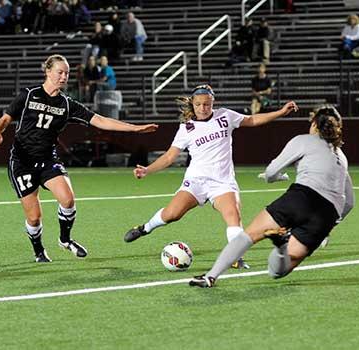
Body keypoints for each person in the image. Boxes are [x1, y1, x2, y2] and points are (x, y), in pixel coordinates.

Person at [0, 54, 158, 262]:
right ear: (48, 71)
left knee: (68, 199)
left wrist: (135, 129)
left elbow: (100, 120)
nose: (64, 76)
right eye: (60, 72)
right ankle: (39, 251)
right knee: (34, 218)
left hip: (47, 159)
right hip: (22, 162)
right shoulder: (28, 95)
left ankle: (65, 239)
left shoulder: (67, 104)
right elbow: (4, 119)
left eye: (67, 73)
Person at [123, 85, 298, 270]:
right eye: (198, 104)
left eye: (207, 104)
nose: (203, 108)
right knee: (171, 214)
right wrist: (147, 170)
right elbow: (169, 157)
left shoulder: (225, 116)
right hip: (196, 181)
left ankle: (236, 257)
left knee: (233, 215)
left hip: (222, 182)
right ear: (193, 104)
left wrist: (280, 112)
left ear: (212, 103)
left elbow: (252, 119)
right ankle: (145, 228)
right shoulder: (186, 129)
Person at [189, 105, 355, 288]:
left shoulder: (304, 140)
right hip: (326, 215)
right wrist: (329, 225)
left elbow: (271, 172)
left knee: (248, 236)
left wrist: (277, 177)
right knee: (278, 271)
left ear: (314, 123)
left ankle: (210, 277)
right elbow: (349, 203)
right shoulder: (342, 158)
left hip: (302, 197)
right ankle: (281, 246)